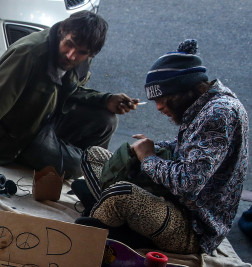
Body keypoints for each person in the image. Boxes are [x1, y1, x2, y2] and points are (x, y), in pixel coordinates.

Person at [79, 39, 248, 254]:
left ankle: (101, 225)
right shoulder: (204, 103)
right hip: (169, 197)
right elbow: (185, 148)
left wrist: (148, 158)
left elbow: (188, 184)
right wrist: (147, 148)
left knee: (121, 195)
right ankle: (116, 218)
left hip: (191, 227)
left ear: (183, 90)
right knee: (93, 155)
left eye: (163, 99)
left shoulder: (218, 114)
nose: (159, 107)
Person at [0, 11, 139, 180]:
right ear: (62, 30)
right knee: (78, 166)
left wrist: (105, 100)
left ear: (91, 53)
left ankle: (92, 169)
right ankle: (81, 162)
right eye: (69, 44)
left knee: (108, 121)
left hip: (48, 118)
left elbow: (71, 91)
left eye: (81, 52)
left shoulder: (83, 54)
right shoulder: (29, 55)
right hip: (15, 138)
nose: (71, 55)